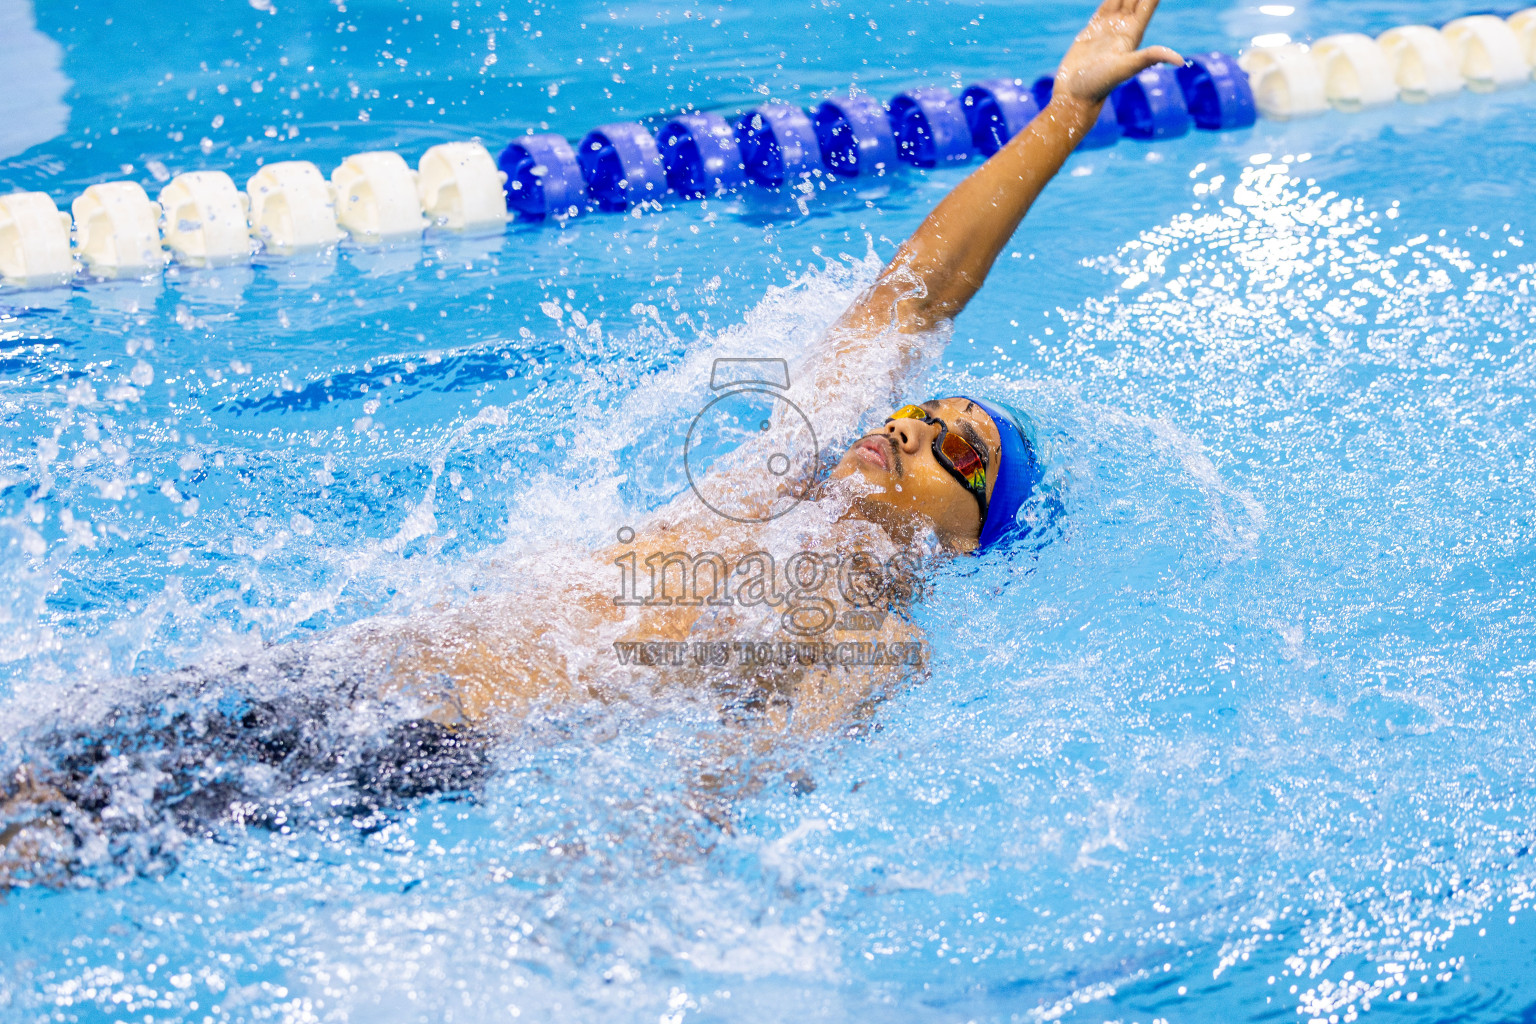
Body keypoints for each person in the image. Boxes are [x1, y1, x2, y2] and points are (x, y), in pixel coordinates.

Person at [0, 0, 1180, 885]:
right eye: (915, 414)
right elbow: (914, 299)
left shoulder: (869, 644)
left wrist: (594, 898)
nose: (906, 428)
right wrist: (1066, 111)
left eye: (952, 449)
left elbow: (720, 793)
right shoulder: (766, 476)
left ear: (972, 538)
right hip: (331, 667)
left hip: (410, 745)